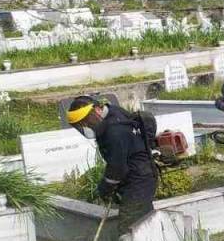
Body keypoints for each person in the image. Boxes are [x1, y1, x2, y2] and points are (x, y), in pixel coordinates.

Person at [66, 96, 157, 233]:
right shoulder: (113, 112)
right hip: (138, 173)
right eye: (81, 124)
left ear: (96, 110)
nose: (86, 126)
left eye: (87, 121)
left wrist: (105, 189)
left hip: (140, 180)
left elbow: (117, 168)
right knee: (144, 221)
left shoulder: (114, 132)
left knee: (130, 226)